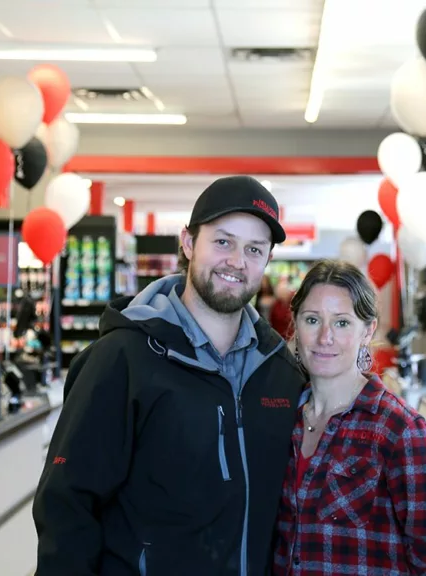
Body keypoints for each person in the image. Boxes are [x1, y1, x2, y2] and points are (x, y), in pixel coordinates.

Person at [33, 176, 307, 576]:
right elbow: (67, 504)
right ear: (188, 242)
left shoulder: (280, 372)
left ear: (266, 261)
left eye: (254, 249)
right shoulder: (122, 358)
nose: (237, 261)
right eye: (223, 241)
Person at [273, 259, 426, 576]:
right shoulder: (281, 418)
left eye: (342, 323)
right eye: (312, 320)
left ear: (368, 330)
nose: (325, 337)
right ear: (295, 322)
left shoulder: (398, 429)